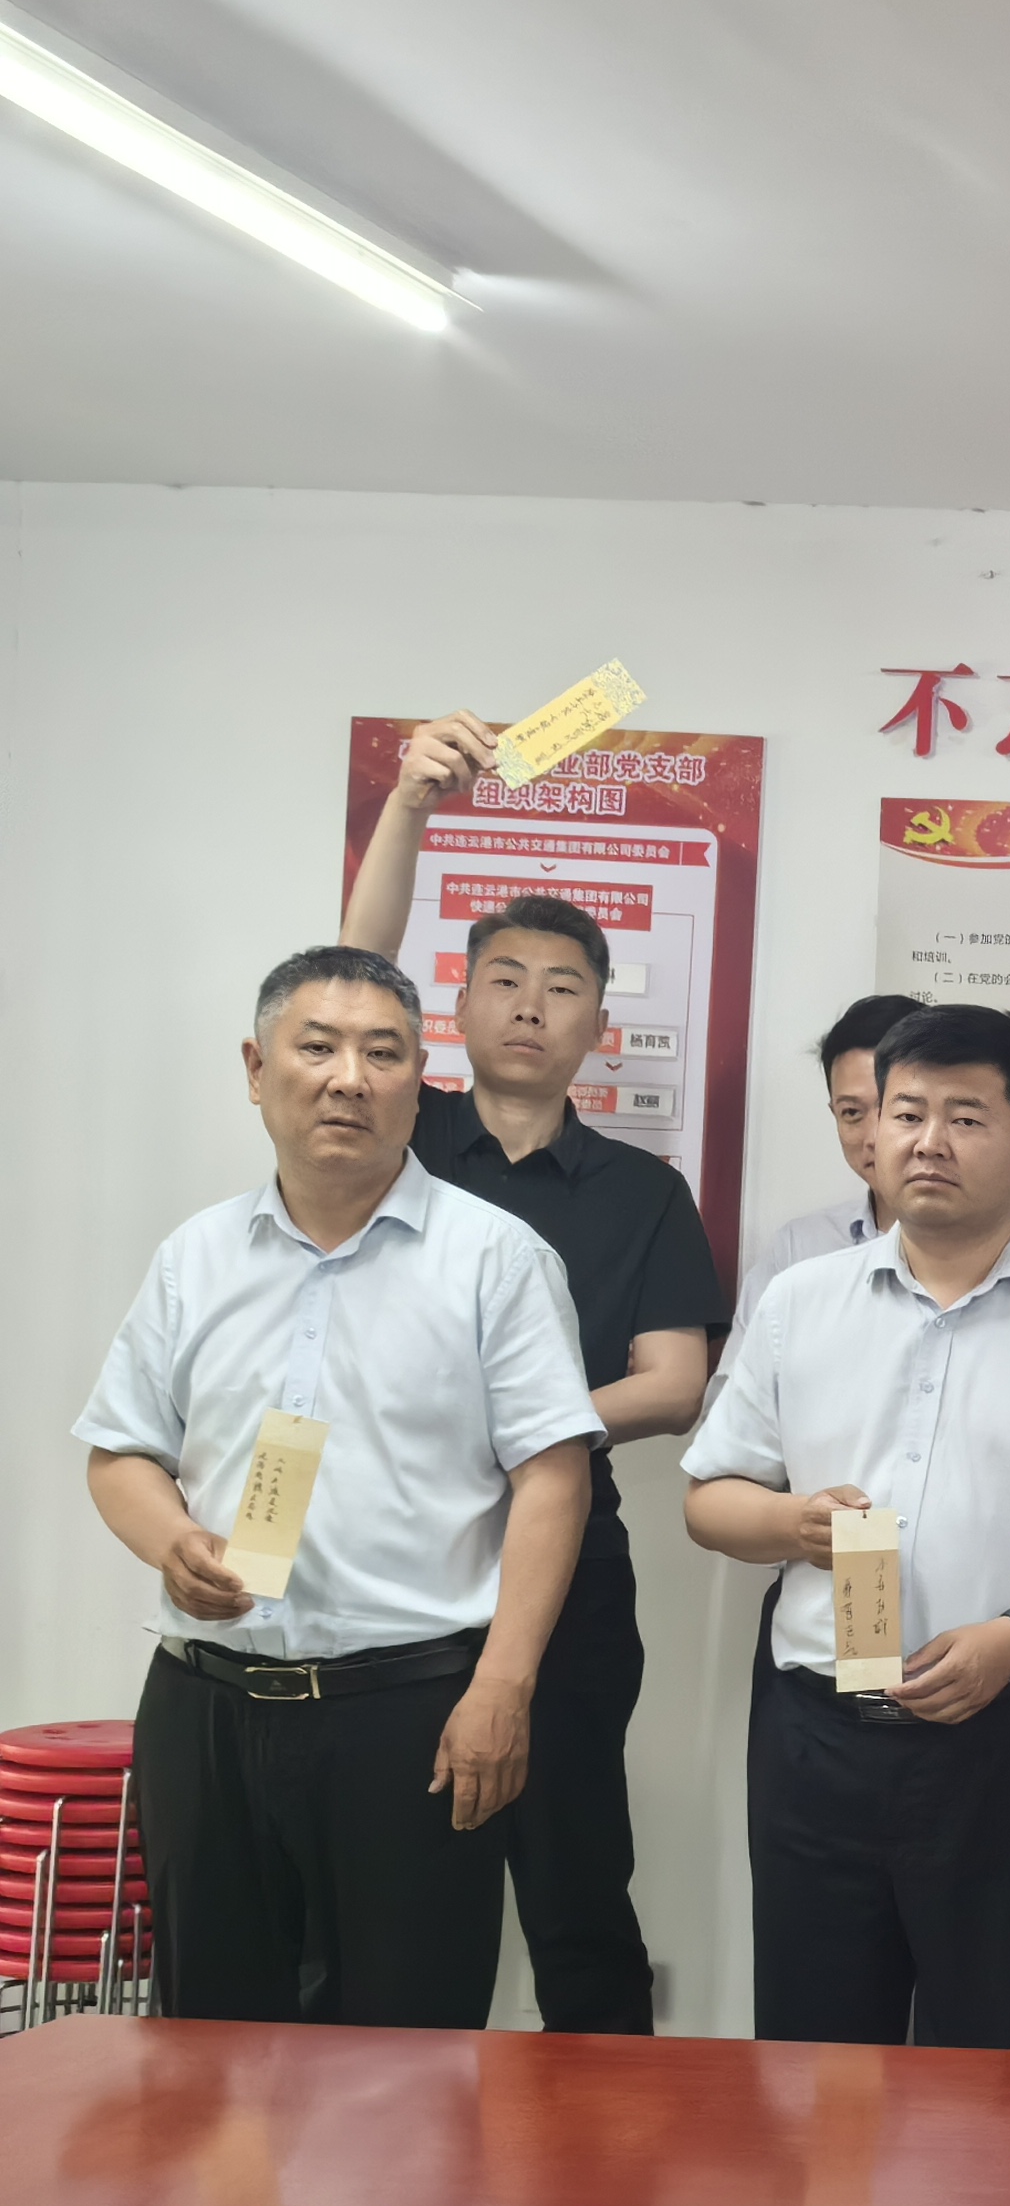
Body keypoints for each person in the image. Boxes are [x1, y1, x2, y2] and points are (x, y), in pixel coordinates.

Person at [77, 946, 601, 2027]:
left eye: (383, 1053)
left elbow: (553, 1481)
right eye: (316, 1047)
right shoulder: (194, 1258)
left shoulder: (496, 1259)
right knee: (208, 2041)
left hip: (409, 1715)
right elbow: (120, 1453)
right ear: (256, 1068)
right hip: (205, 1706)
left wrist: (502, 1689)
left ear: (420, 1081)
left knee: (404, 2057)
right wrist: (169, 1539)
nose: (348, 1079)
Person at [679, 1002, 1010, 2051]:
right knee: (822, 2056)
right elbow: (709, 1499)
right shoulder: (799, 1300)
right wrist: (792, 1522)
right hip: (819, 1738)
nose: (928, 1142)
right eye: (906, 1113)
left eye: (966, 1118)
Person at [343, 719, 726, 2037]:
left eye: (561, 987)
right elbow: (353, 977)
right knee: (379, 1888)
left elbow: (673, 1383)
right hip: (389, 1556)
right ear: (454, 1005)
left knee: (575, 1887)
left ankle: (606, 2144)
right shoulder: (401, 1138)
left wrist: (515, 1430)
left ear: (598, 1025)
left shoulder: (642, 1193)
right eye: (502, 978)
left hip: (568, 1574)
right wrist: (409, 804)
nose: (528, 1004)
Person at [734, 995, 925, 1336]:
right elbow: (742, 1369)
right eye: (851, 1112)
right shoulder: (799, 1249)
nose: (875, 1137)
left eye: (901, 1110)